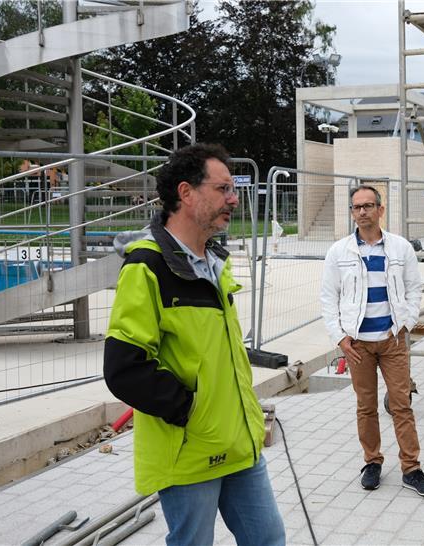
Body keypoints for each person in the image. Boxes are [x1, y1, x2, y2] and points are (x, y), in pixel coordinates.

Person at [103, 144, 286, 545]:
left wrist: (245, 416)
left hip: (239, 442)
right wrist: (192, 411)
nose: (234, 198)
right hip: (189, 451)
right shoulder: (146, 267)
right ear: (186, 193)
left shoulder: (214, 262)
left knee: (269, 540)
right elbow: (124, 368)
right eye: (223, 189)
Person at [320, 185, 424, 497]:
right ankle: (372, 462)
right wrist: (340, 337)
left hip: (392, 341)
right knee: (366, 406)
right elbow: (328, 298)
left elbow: (415, 289)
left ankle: (411, 468)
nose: (362, 212)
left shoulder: (400, 248)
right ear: (352, 212)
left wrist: (406, 324)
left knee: (402, 405)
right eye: (357, 207)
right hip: (357, 345)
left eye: (368, 206)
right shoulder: (338, 252)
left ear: (380, 210)